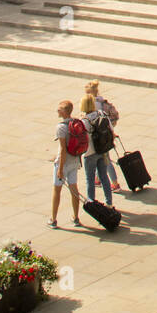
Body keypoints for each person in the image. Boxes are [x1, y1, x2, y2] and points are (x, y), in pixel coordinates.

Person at [49, 99, 83, 228]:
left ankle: (53, 219)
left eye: (60, 109)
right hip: (75, 160)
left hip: (63, 163)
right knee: (74, 189)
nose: (57, 110)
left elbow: (63, 149)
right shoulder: (75, 123)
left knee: (57, 190)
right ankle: (76, 217)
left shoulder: (61, 127)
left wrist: (60, 168)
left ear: (64, 112)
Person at [79, 93, 114, 208]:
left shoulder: (84, 121)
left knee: (90, 179)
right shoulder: (102, 114)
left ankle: (92, 203)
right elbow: (111, 129)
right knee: (104, 176)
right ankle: (109, 203)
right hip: (103, 150)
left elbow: (82, 139)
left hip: (90, 153)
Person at [85, 80, 120, 192]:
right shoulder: (101, 100)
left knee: (106, 160)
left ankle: (115, 183)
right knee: (101, 157)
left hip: (99, 136)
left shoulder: (93, 105)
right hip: (106, 134)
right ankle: (97, 179)